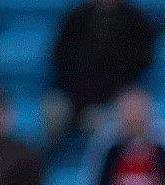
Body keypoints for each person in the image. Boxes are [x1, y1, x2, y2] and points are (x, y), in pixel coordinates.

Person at [47, 0, 158, 145]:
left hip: (111, 97)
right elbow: (60, 58)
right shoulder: (76, 17)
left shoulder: (135, 20)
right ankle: (49, 160)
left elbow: (140, 63)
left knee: (101, 121)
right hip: (72, 93)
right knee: (53, 108)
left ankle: (100, 164)